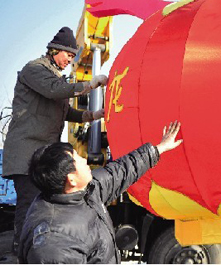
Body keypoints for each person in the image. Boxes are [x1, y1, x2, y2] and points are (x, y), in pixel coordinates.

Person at [1, 26, 108, 253]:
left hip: (41, 155)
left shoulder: (56, 78)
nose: (70, 61)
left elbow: (66, 111)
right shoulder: (35, 70)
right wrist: (89, 85)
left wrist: (94, 115)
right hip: (26, 153)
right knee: (29, 207)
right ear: (54, 50)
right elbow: (54, 90)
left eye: (72, 57)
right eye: (68, 55)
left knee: (40, 208)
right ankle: (21, 254)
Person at [18, 121, 183, 264]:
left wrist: (158, 149)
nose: (84, 160)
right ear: (71, 179)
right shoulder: (53, 243)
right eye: (77, 159)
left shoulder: (85, 192)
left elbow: (121, 171)